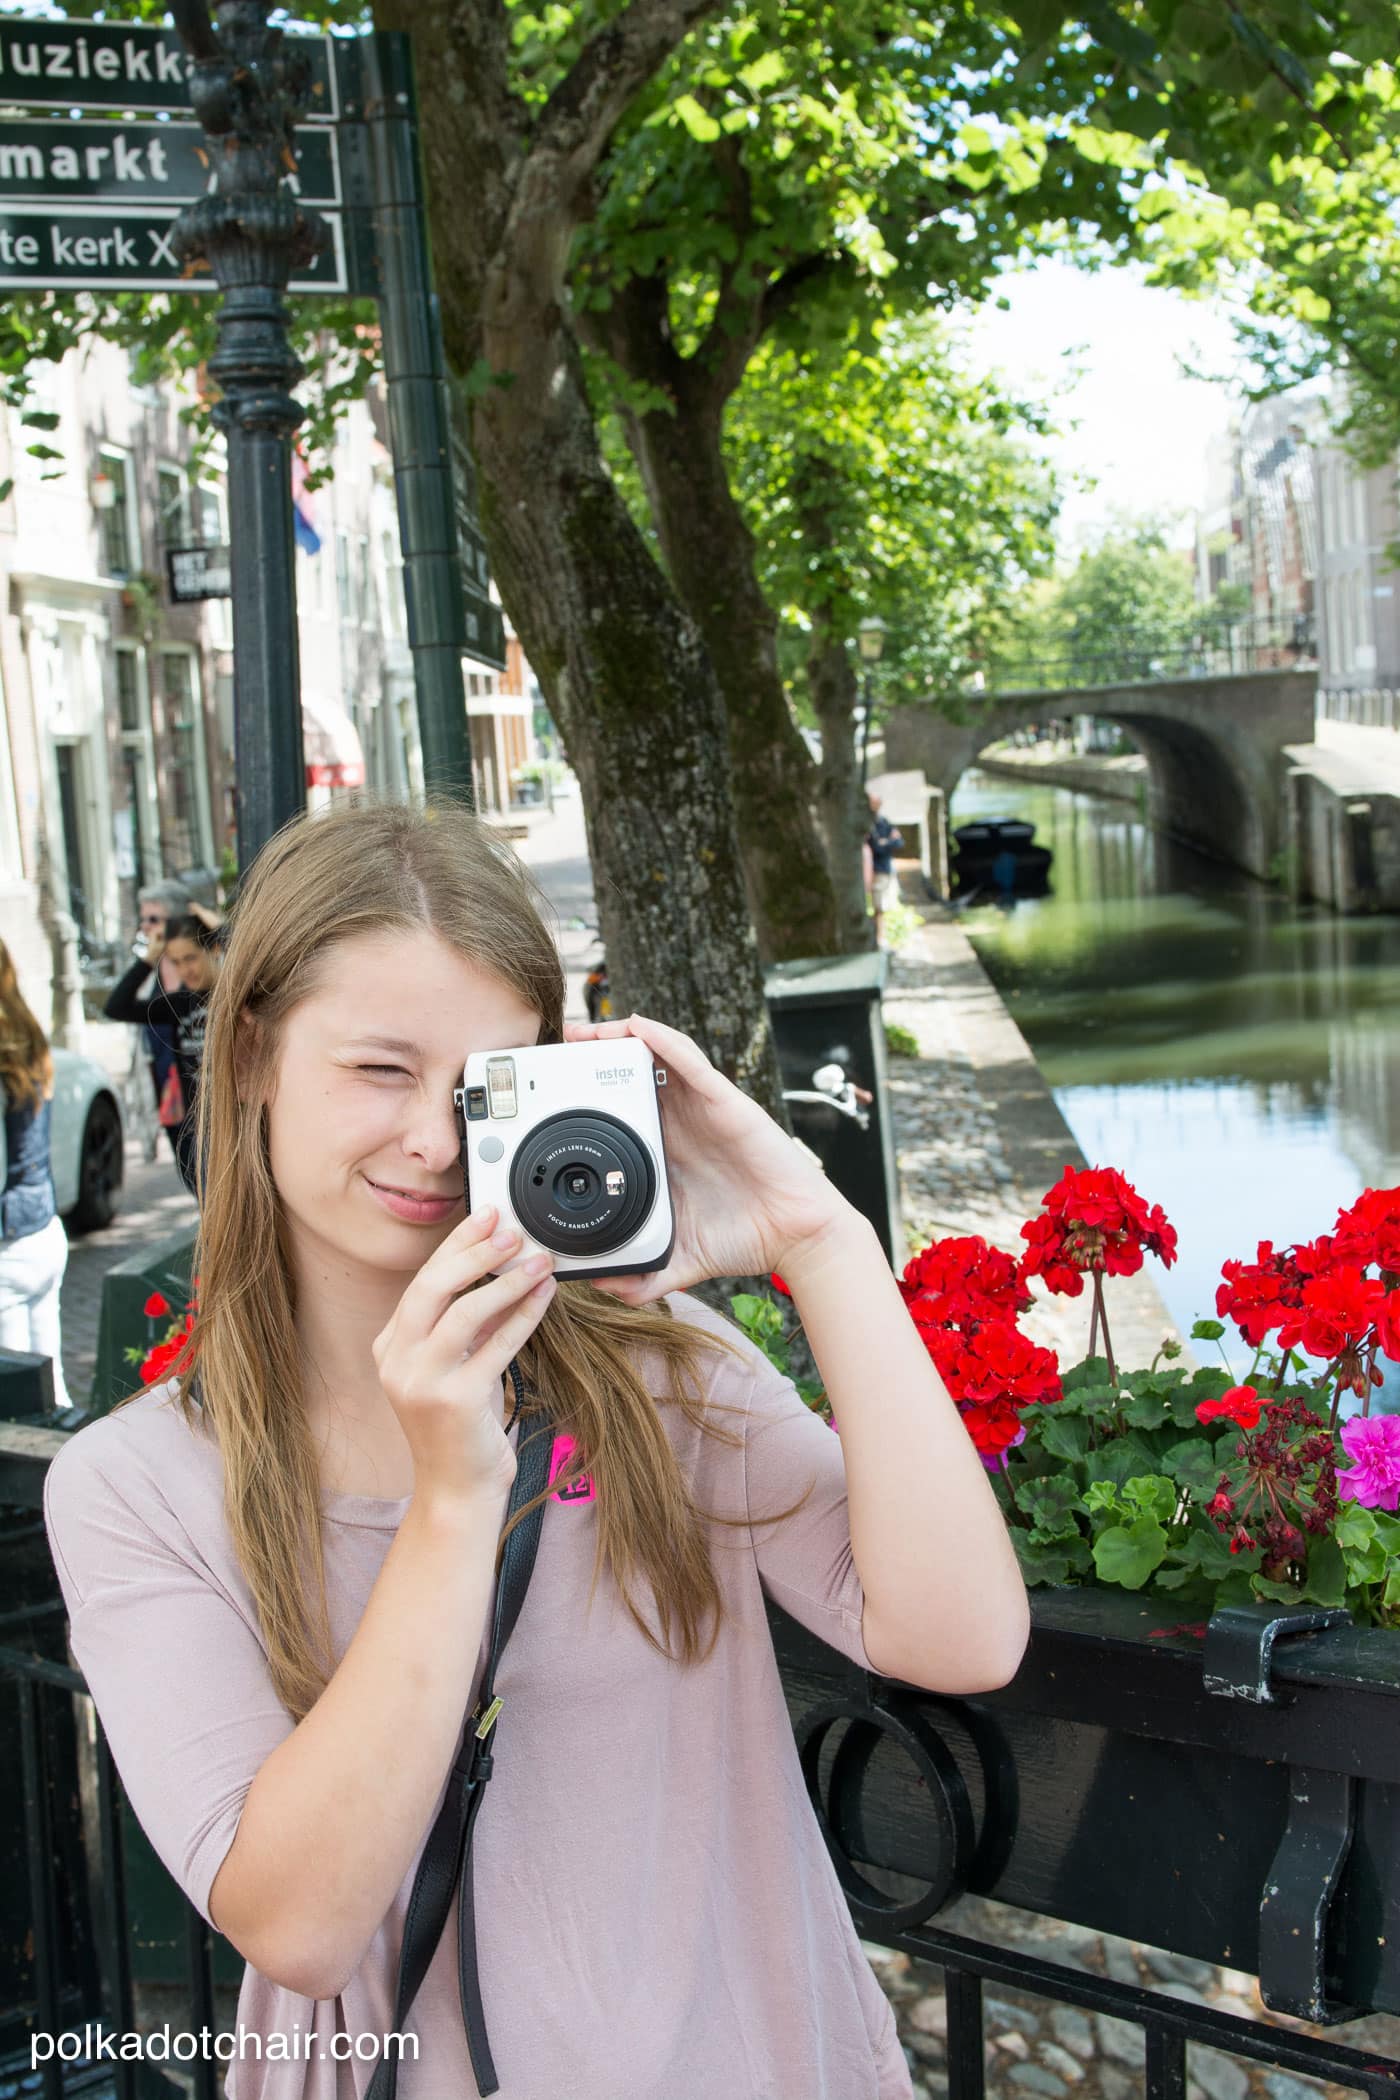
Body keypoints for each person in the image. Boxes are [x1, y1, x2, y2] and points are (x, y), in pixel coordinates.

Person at [43, 799, 1028, 2100]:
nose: (436, 1144)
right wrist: (454, 1496)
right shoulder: (137, 1489)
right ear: (253, 1062)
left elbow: (959, 1639)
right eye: (378, 1071)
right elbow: (300, 1923)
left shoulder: (659, 1383)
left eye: (478, 1090)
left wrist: (820, 1240)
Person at [103, 902, 224, 1197]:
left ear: (213, 950)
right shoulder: (181, 1004)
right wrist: (149, 960)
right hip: (198, 1135)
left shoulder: (235, 996)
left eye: (191, 958)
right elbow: (116, 1007)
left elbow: (255, 954)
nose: (185, 969)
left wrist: (220, 929)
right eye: (176, 961)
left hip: (237, 1129)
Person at [0, 940, 71, 1408]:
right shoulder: (26, 1037)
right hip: (45, 1232)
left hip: (9, 1246)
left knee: (18, 1405)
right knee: (53, 1391)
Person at [133, 880, 192, 1156]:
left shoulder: (203, 969)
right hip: (169, 1094)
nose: (145, 927)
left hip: (205, 1095)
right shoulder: (150, 974)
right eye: (143, 919)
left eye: (154, 919)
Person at [865, 789, 905, 948]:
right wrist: (889, 841)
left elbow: (900, 842)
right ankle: (877, 941)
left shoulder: (883, 821)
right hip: (874, 870)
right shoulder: (869, 825)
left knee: (884, 907)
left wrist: (885, 842)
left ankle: (881, 939)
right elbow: (876, 847)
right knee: (878, 907)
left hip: (886, 868)